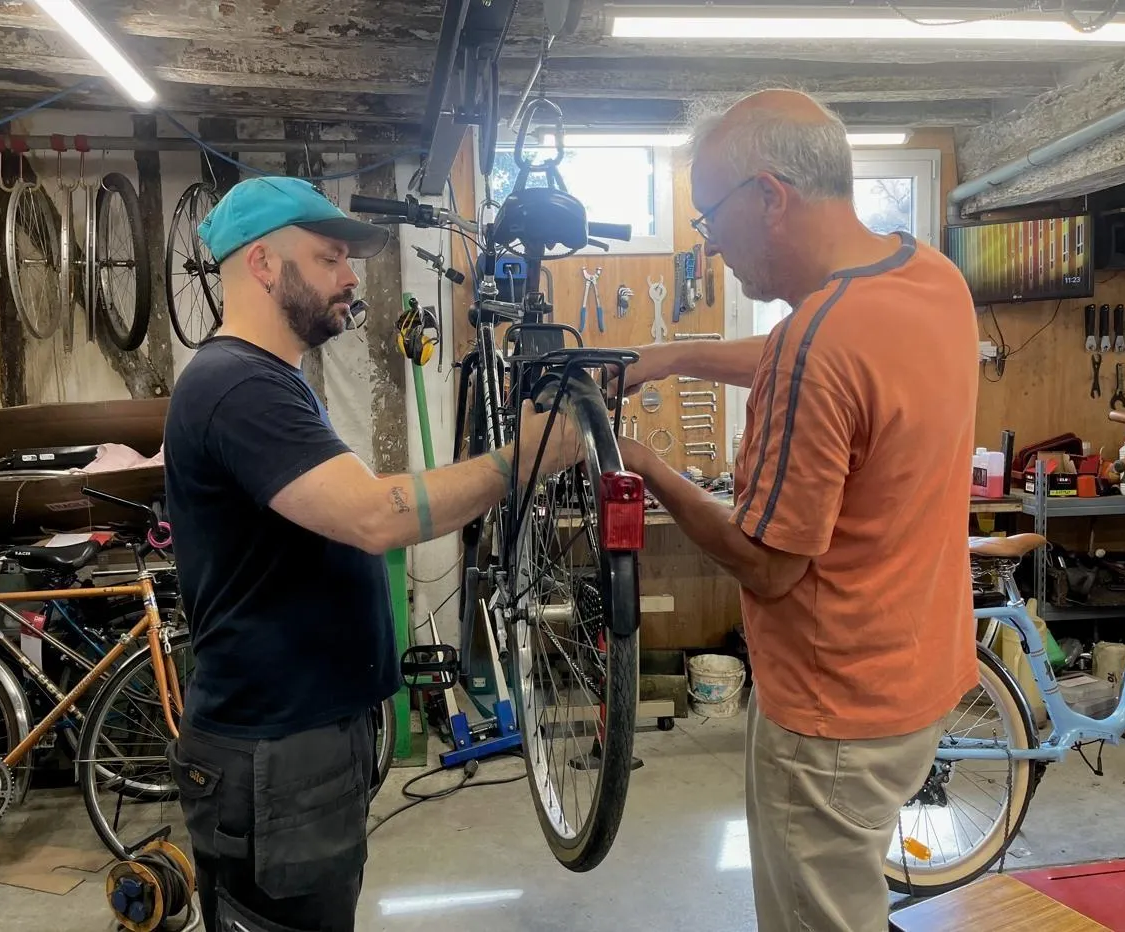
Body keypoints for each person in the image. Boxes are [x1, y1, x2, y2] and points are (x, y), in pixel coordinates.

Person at [163, 176, 580, 932]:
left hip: (302, 738)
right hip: (273, 748)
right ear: (261, 264)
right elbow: (371, 515)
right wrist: (522, 462)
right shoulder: (238, 386)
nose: (351, 277)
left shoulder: (273, 382)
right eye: (329, 258)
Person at [615, 91, 978, 931]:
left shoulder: (818, 341)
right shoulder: (929, 278)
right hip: (919, 678)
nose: (711, 243)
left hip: (829, 715)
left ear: (770, 197)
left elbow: (769, 565)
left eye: (710, 217)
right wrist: (672, 356)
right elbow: (821, 358)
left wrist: (647, 467)